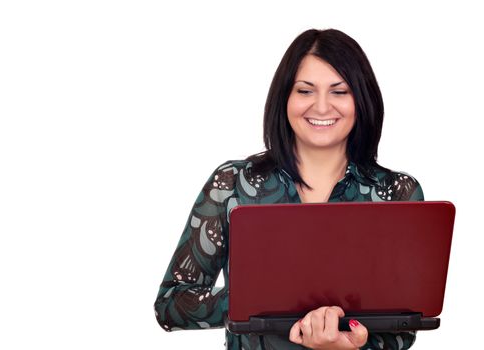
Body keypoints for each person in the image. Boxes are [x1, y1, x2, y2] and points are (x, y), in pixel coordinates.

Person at [154, 28, 424, 350]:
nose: (322, 107)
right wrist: (263, 296)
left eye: (339, 92)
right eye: (305, 91)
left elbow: (404, 325)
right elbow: (171, 305)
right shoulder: (232, 184)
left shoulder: (397, 193)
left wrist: (349, 347)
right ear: (285, 97)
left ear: (361, 100)